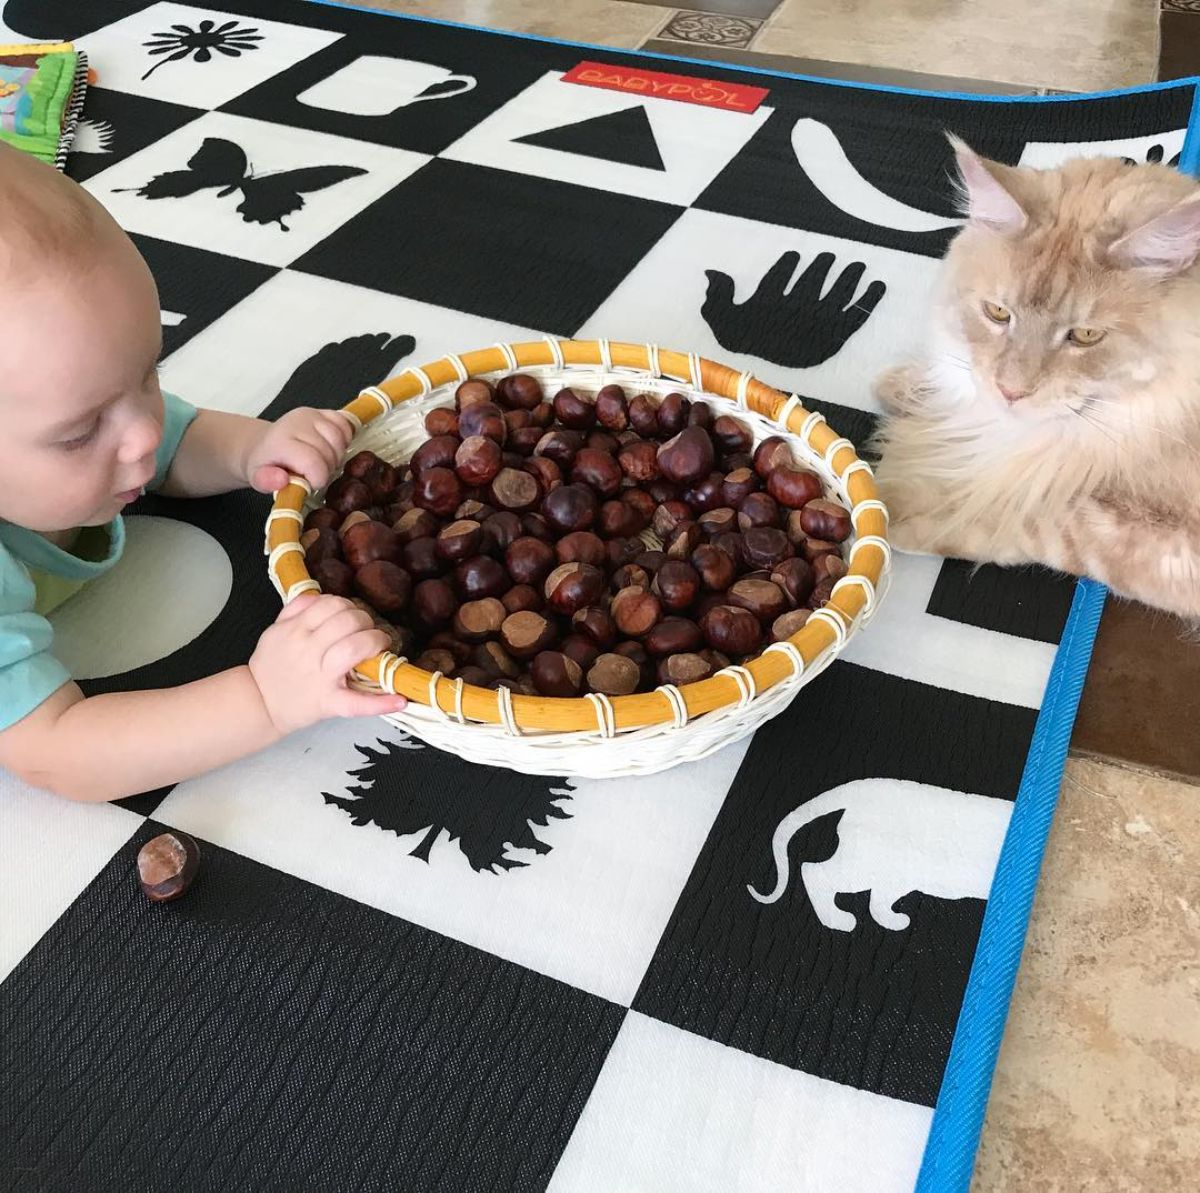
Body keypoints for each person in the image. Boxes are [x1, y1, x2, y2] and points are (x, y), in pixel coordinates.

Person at [0, 141, 406, 802]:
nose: (144, 431)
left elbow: (179, 443)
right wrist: (264, 699)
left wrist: (256, 448)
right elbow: (58, 751)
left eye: (147, 374)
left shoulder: (92, 407)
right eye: (80, 432)